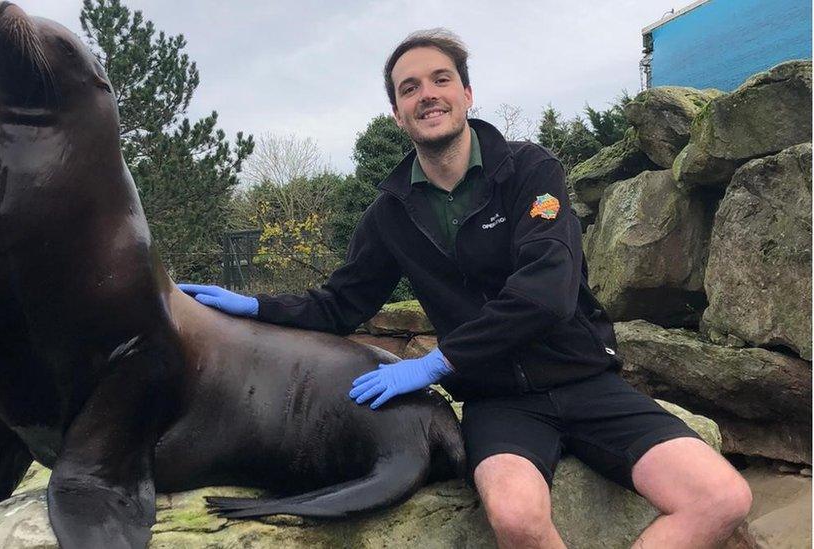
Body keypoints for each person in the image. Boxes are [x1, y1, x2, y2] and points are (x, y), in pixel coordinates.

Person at [179, 29, 751, 548]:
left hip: (584, 381)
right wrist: (255, 307)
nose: (427, 94)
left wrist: (437, 363)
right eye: (409, 88)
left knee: (721, 498)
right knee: (517, 519)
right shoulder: (390, 212)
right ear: (398, 115)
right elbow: (342, 303)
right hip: (499, 402)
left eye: (440, 79)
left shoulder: (530, 170)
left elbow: (548, 289)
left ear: (467, 94)